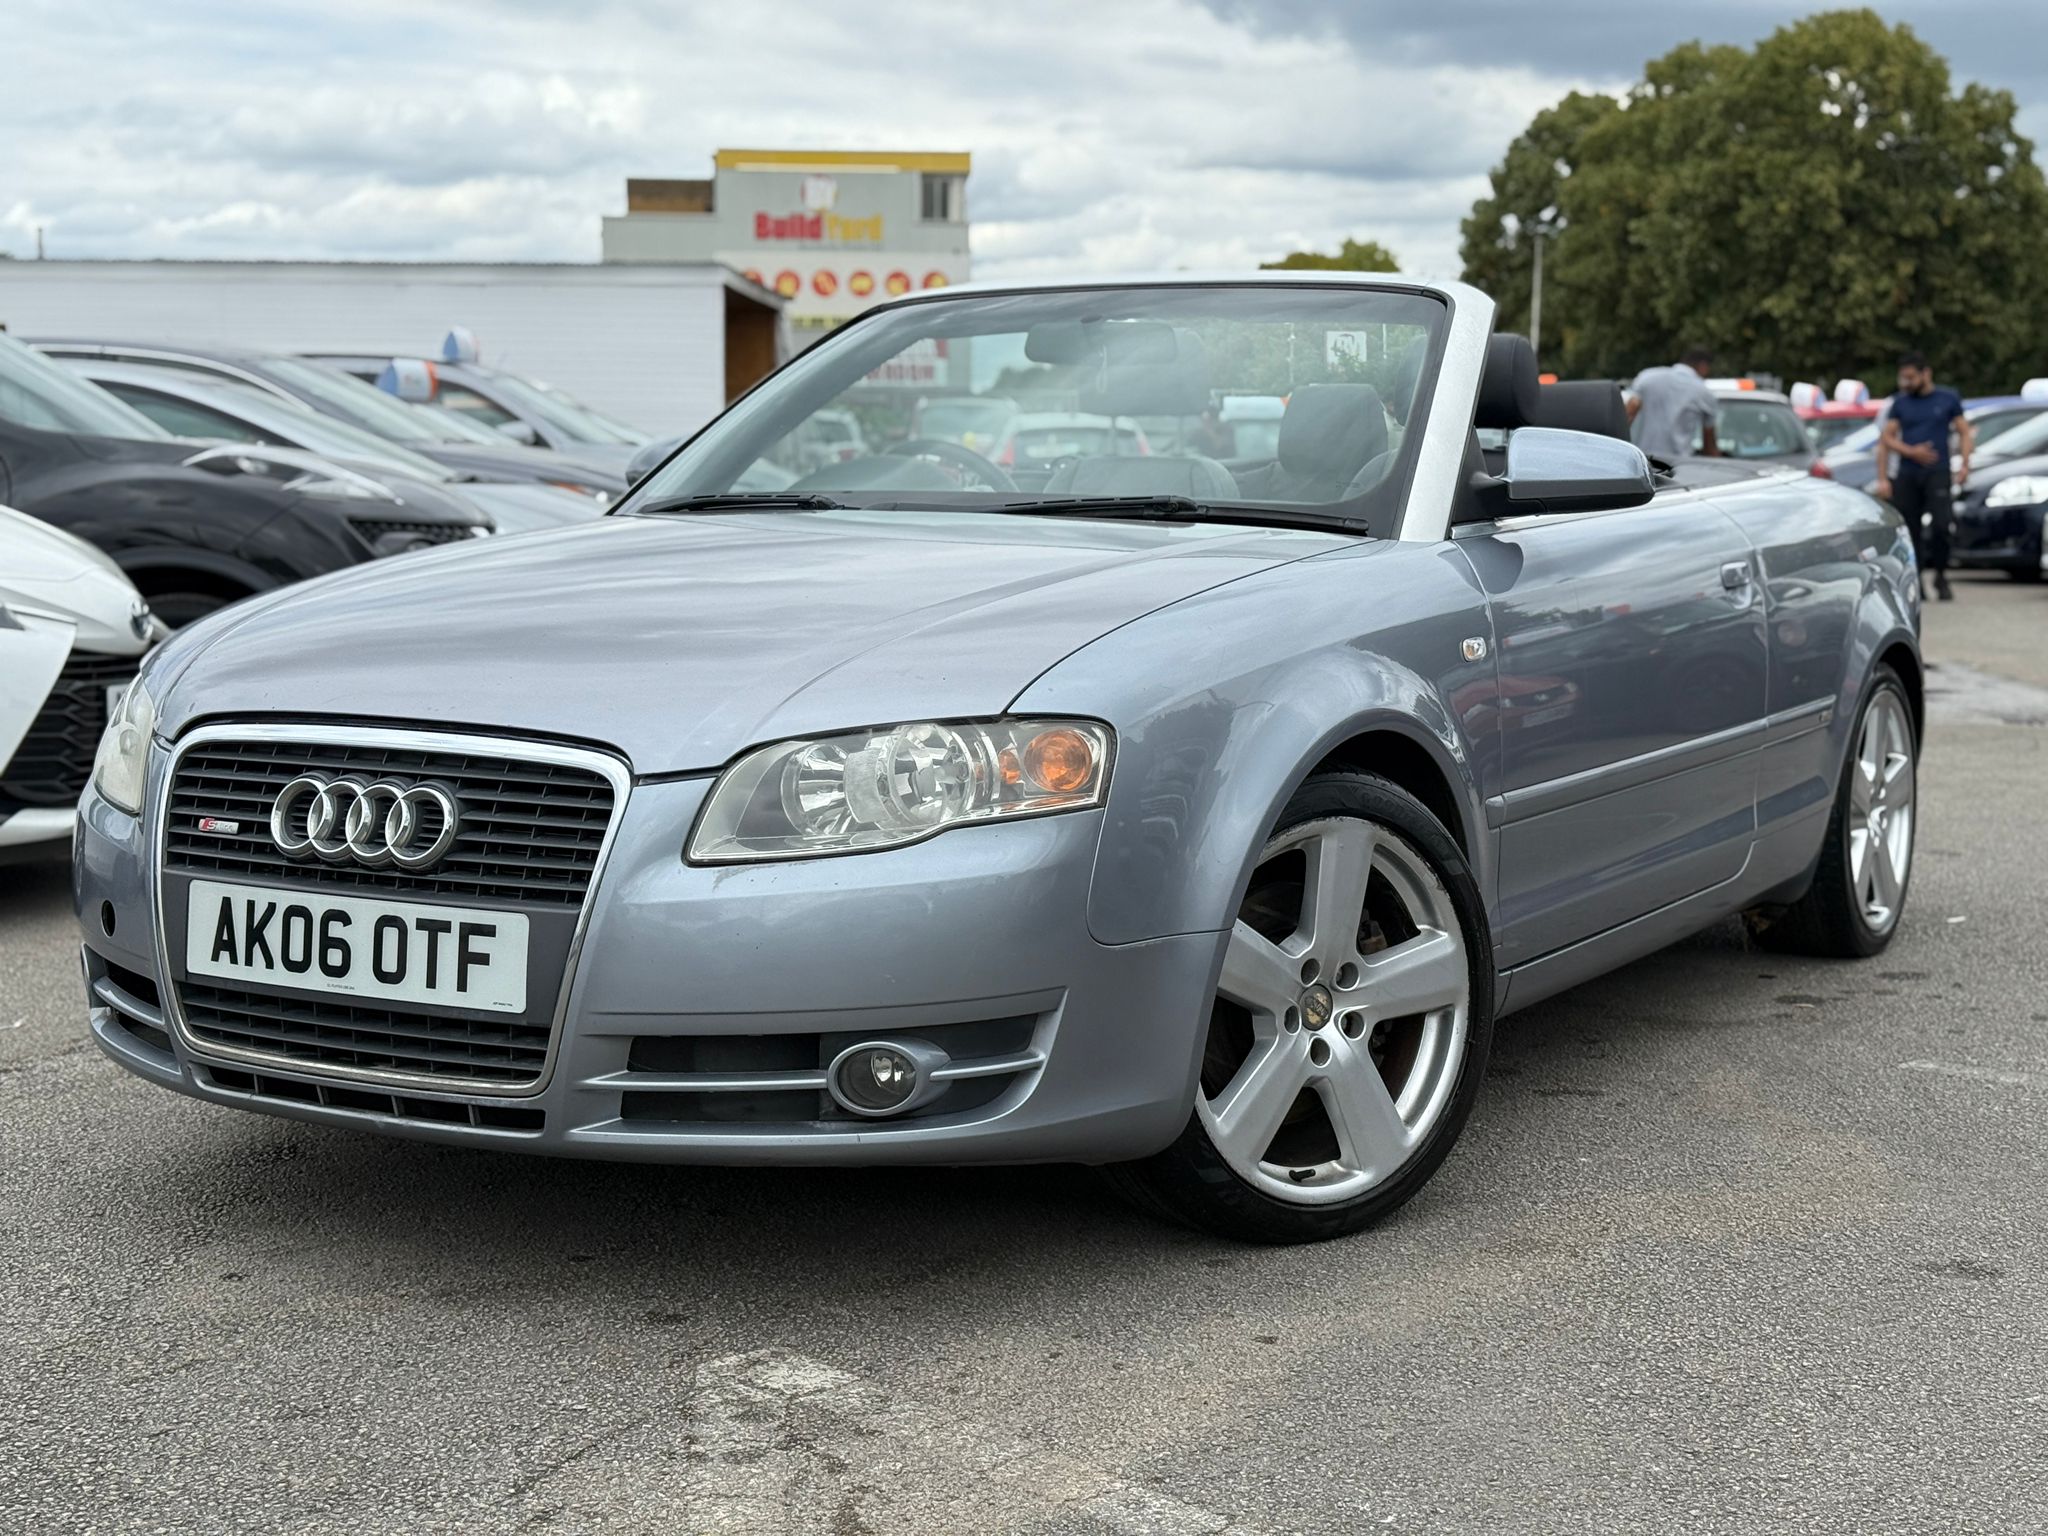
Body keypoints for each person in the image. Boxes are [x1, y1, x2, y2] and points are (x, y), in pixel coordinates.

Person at [1875, 350, 1969, 602]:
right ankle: (1917, 581)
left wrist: (1965, 465)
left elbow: (1964, 431)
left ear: (1926, 374)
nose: (1906, 383)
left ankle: (1941, 573)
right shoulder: (1901, 403)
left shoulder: (1948, 398)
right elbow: (1886, 437)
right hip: (1908, 474)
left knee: (1941, 525)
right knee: (1911, 529)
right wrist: (1910, 453)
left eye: (1911, 377)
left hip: (1937, 472)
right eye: (1903, 378)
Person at [1625, 347, 1721, 460]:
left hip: (1643, 461)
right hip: (1679, 467)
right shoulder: (1704, 392)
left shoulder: (1647, 377)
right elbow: (1709, 446)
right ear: (1703, 366)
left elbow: (1628, 415)